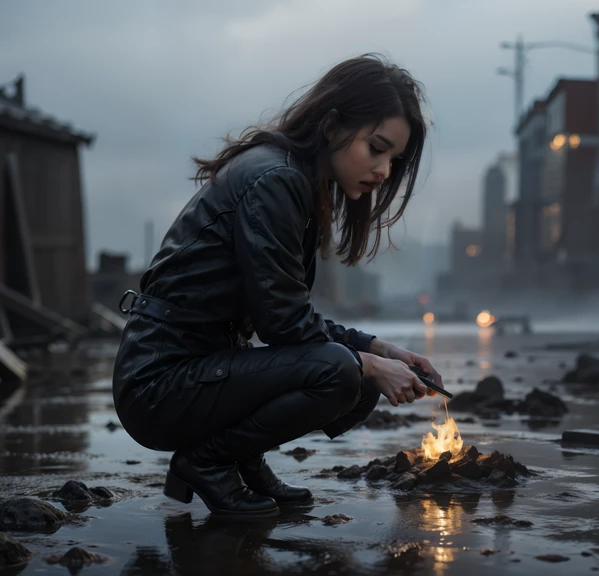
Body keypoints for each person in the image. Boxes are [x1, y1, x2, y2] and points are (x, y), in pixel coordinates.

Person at [112, 54, 442, 518]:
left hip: (196, 368)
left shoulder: (293, 179)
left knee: (356, 372)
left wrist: (379, 349)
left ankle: (242, 459)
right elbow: (285, 325)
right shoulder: (276, 180)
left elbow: (288, 313)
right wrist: (366, 363)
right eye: (377, 148)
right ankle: (208, 461)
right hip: (158, 383)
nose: (384, 170)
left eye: (395, 159)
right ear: (331, 126)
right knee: (343, 372)